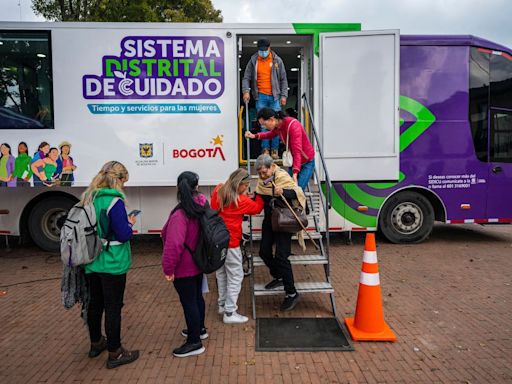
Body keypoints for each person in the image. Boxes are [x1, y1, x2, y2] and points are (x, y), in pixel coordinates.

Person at [81, 161, 139, 369]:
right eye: (124, 181)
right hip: (113, 261)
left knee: (95, 303)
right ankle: (115, 352)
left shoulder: (89, 197)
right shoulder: (115, 202)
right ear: (119, 179)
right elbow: (123, 235)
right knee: (113, 307)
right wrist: (130, 224)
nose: (124, 186)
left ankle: (96, 343)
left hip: (91, 259)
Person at [162, 171, 208, 358]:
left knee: (189, 302)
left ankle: (194, 342)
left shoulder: (180, 214)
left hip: (184, 266)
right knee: (197, 298)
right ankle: (199, 329)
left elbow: (173, 244)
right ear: (197, 186)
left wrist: (168, 269)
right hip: (199, 261)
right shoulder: (203, 205)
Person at [210, 168, 264, 324]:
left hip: (216, 242)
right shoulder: (241, 201)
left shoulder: (219, 189)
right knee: (236, 276)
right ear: (239, 184)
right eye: (245, 186)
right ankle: (229, 312)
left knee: (221, 273)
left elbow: (216, 206)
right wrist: (258, 195)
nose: (246, 189)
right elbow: (257, 208)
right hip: (231, 242)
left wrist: (243, 195)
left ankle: (222, 304)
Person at [254, 155, 306, 311]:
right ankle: (279, 276)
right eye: (259, 173)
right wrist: (254, 196)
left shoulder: (282, 176)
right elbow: (261, 194)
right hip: (269, 220)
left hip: (284, 220)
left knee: (281, 256)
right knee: (264, 252)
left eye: (264, 172)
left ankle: (291, 293)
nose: (262, 176)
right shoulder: (262, 181)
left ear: (272, 167)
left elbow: (298, 192)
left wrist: (283, 191)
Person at [245, 108, 315, 191]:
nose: (264, 127)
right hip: (294, 161)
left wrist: (295, 174)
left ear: (272, 119)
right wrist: (255, 136)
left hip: (306, 161)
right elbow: (270, 134)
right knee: (287, 188)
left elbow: (297, 151)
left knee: (297, 191)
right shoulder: (278, 126)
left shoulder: (293, 125)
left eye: (264, 124)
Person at [242, 38, 288, 159]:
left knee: (276, 124)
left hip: (275, 97)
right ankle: (265, 150)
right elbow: (246, 77)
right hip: (260, 96)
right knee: (263, 124)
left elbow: (283, 79)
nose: (262, 52)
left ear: (269, 48)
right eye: (260, 50)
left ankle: (275, 150)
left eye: (265, 50)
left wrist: (283, 95)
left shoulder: (277, 60)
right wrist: (246, 91)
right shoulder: (253, 60)